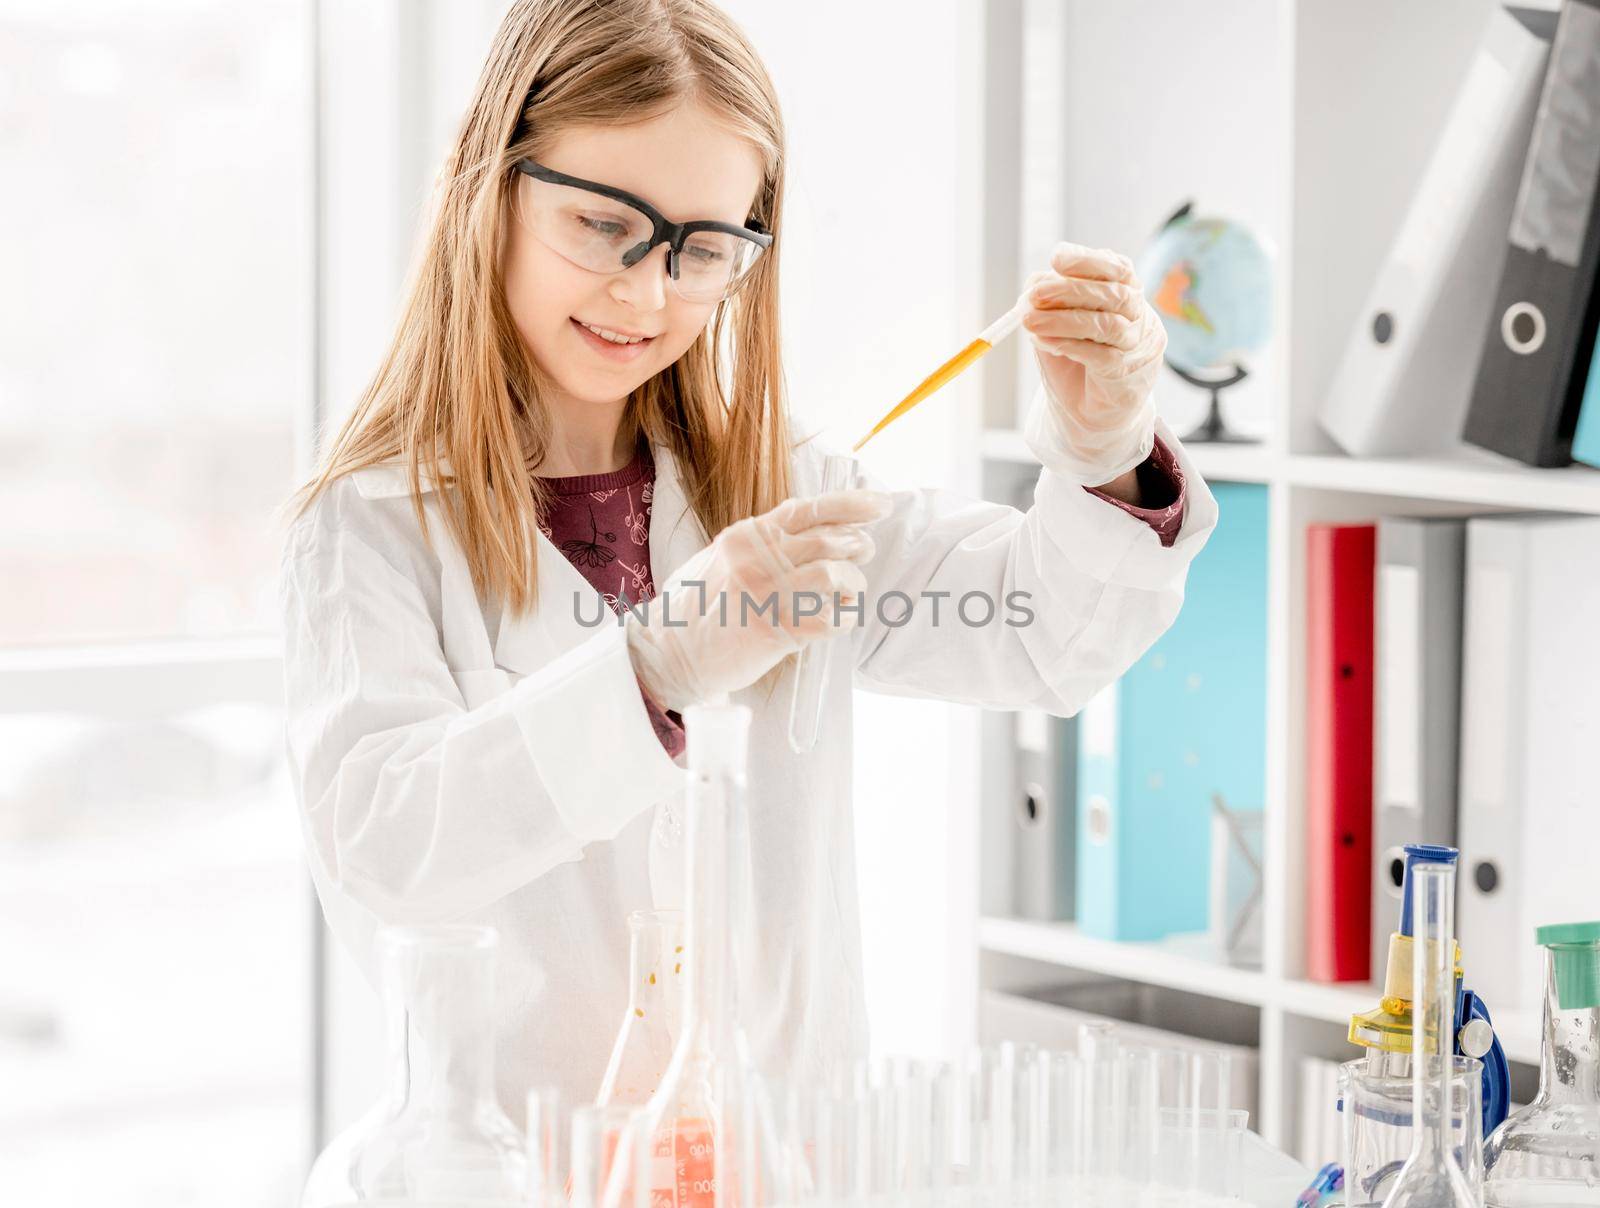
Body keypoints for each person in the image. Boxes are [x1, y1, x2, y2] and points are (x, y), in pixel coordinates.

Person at [278, 0, 1217, 1116]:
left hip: (778, 1153)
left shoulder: (789, 490)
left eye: (702, 247)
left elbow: (1036, 634)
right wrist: (654, 669)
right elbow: (386, 848)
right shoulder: (372, 524)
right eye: (599, 223)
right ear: (491, 185)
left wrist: (1108, 443)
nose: (646, 290)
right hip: (521, 1165)